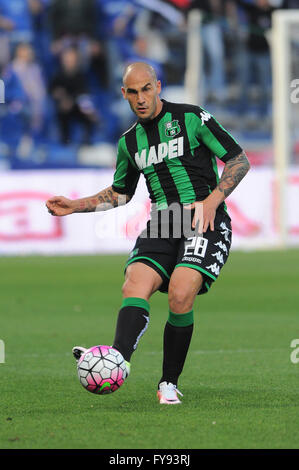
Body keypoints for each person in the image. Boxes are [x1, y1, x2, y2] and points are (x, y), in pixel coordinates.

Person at [46, 62, 250, 404]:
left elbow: (238, 160)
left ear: (158, 86)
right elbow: (120, 194)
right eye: (133, 92)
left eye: (146, 89)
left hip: (204, 219)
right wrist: (75, 205)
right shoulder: (129, 142)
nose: (141, 98)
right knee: (134, 282)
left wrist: (213, 201)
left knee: (181, 294)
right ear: (123, 94)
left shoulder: (191, 117)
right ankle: (117, 360)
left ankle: (168, 382)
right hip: (163, 222)